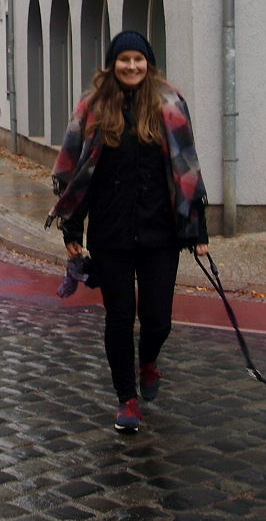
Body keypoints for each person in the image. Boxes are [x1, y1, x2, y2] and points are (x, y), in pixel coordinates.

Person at [46, 31, 209, 434]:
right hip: (112, 233)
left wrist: (196, 228)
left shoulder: (171, 105)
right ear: (112, 64)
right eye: (124, 60)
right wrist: (72, 224)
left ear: (148, 64)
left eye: (138, 59)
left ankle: (149, 361)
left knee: (158, 321)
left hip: (160, 233)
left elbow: (187, 168)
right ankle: (127, 399)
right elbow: (77, 172)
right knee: (119, 319)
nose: (131, 66)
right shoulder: (93, 108)